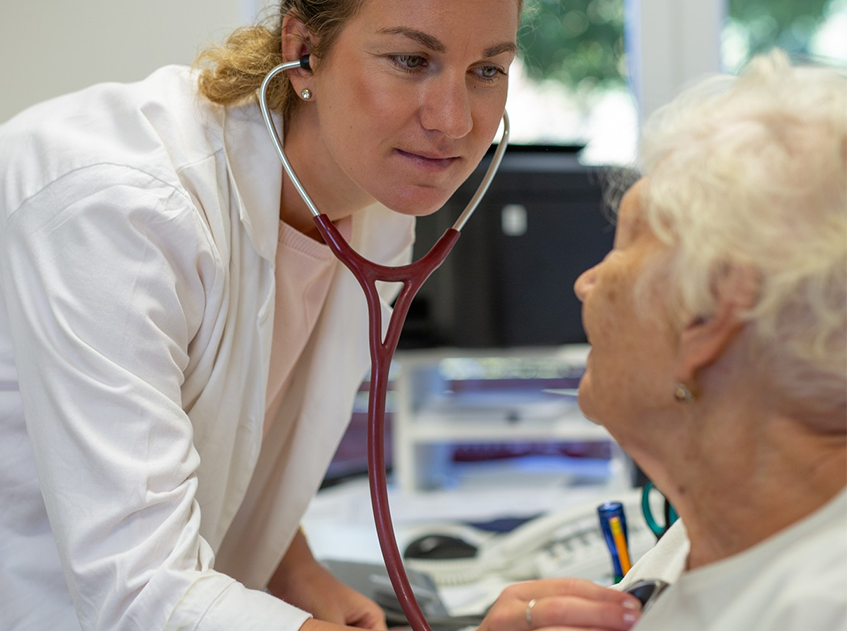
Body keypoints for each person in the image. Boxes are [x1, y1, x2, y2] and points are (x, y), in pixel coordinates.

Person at [0, 0, 532, 629]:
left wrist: (292, 567)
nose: (454, 120)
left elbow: (228, 423)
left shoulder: (378, 195)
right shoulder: (122, 209)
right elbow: (137, 592)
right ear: (302, 50)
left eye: (487, 72)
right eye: (411, 60)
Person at [565, 49, 847, 629]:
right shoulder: (706, 543)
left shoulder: (819, 607)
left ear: (707, 311)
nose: (585, 282)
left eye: (625, 244)